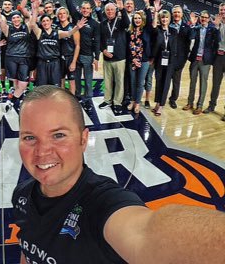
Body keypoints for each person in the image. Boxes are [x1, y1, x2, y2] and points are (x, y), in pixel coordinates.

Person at [12, 85, 225, 264]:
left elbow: (145, 232)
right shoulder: (22, 194)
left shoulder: (103, 203)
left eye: (58, 135)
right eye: (29, 137)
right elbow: (28, 249)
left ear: (83, 139)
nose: (42, 152)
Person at [30, 0, 86, 87]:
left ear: (51, 22)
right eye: (43, 21)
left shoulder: (58, 32)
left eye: (47, 20)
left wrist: (77, 27)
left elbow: (68, 33)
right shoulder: (39, 32)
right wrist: (35, 8)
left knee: (56, 87)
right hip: (42, 63)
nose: (45, 22)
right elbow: (32, 24)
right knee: (42, 87)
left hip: (55, 63)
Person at [63, 0, 100, 103]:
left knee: (88, 79)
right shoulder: (76, 17)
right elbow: (69, 4)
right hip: (75, 54)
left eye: (87, 9)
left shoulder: (95, 24)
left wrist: (96, 58)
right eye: (83, 8)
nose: (85, 10)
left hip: (88, 55)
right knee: (77, 78)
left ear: (91, 10)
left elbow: (97, 42)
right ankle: (78, 96)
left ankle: (88, 98)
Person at [183, 10, 220, 115]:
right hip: (195, 59)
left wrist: (217, 28)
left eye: (205, 17)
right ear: (200, 18)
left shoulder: (213, 30)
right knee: (192, 82)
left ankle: (199, 106)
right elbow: (190, 37)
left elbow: (218, 40)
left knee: (203, 83)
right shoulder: (196, 28)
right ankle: (190, 103)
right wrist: (193, 24)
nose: (203, 19)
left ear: (208, 19)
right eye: (202, 17)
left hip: (205, 61)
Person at [99, 0, 130, 115]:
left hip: (120, 58)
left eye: (112, 10)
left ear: (115, 11)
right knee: (107, 81)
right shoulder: (102, 24)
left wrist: (122, 9)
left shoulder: (121, 21)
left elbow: (127, 23)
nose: (110, 12)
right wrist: (103, 50)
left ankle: (117, 102)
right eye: (108, 10)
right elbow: (100, 40)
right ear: (105, 12)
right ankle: (107, 100)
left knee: (119, 82)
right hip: (107, 58)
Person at [167, 5, 195, 109]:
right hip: (168, 58)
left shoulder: (187, 27)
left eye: (178, 12)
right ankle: (162, 98)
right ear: (172, 14)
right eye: (175, 12)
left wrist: (192, 25)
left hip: (180, 59)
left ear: (182, 14)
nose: (177, 14)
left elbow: (192, 38)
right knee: (165, 79)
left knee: (176, 81)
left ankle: (173, 99)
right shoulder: (168, 25)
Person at [203, 2, 225, 117]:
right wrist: (216, 27)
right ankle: (212, 105)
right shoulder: (216, 24)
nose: (222, 12)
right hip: (218, 57)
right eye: (221, 10)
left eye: (224, 10)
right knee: (215, 83)